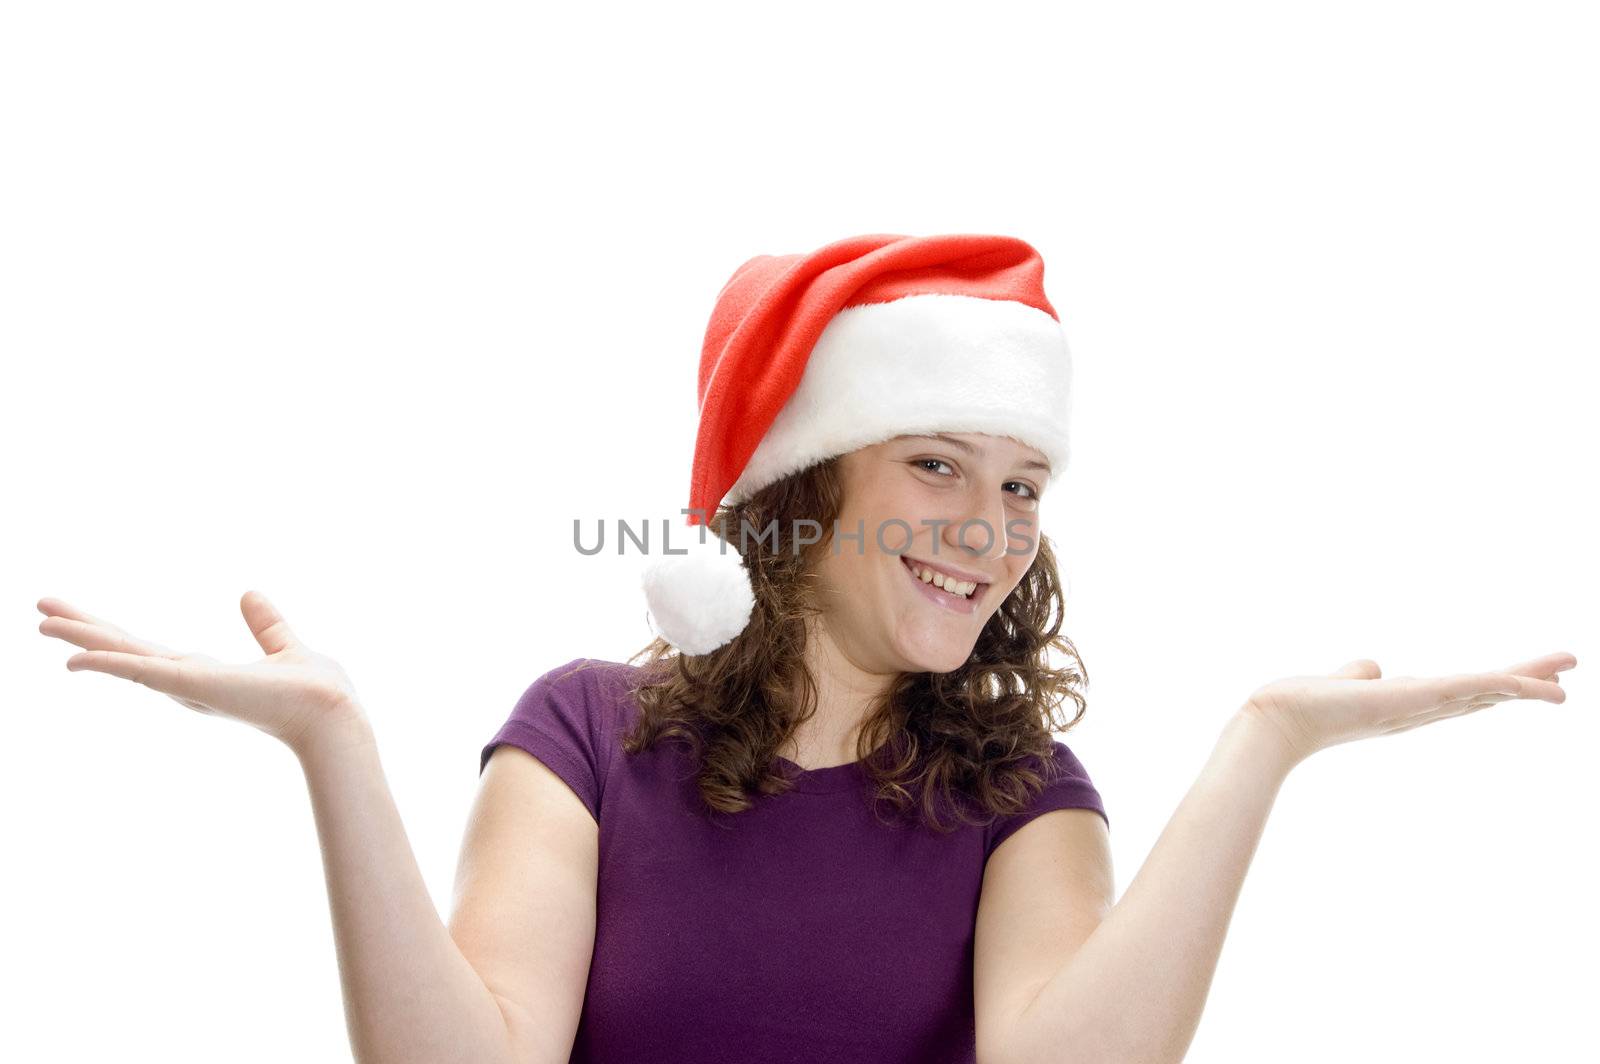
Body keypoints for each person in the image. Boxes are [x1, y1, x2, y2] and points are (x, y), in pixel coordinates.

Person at [37, 233, 1576, 1064]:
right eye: (932, 464)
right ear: (801, 488)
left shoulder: (1028, 796)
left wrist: (1264, 744)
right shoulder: (582, 736)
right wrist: (336, 753)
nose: (986, 525)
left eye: (1020, 484)